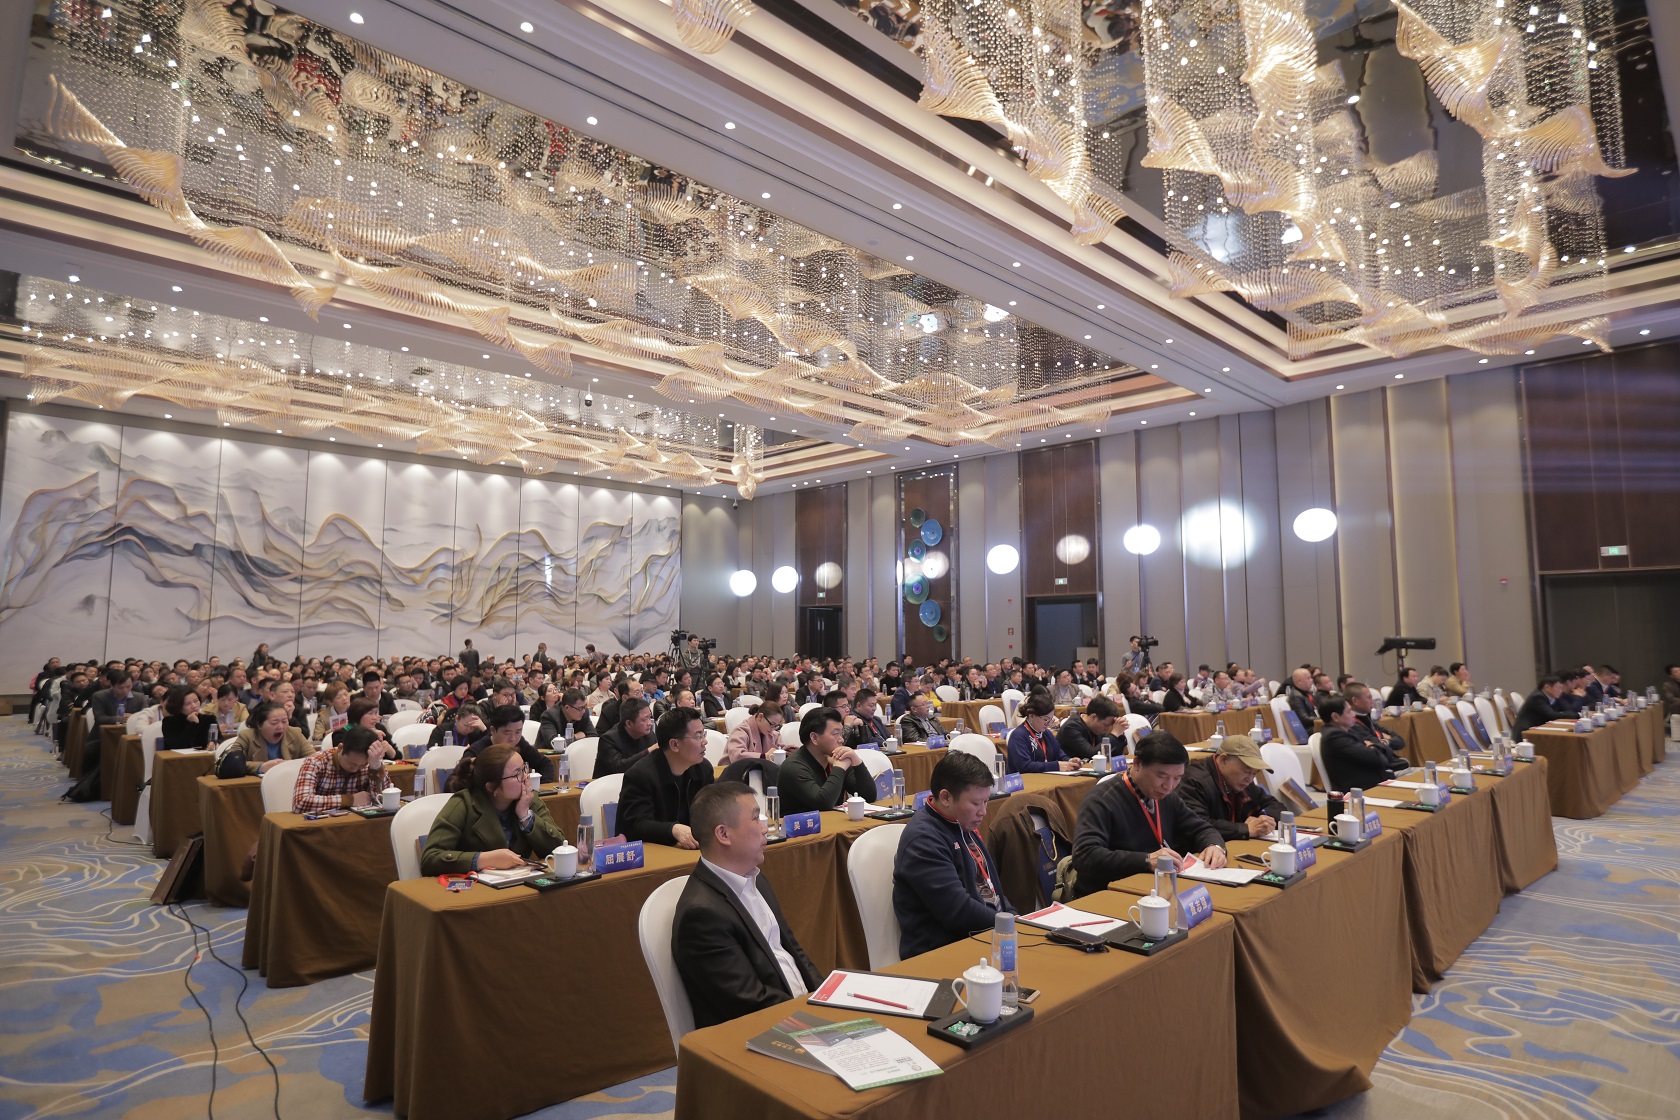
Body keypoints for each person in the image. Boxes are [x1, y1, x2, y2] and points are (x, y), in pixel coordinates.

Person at [672, 782, 822, 1028]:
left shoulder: (756, 878)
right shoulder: (701, 915)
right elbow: (749, 1001)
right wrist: (816, 1020)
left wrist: (825, 998)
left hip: (800, 1011)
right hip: (764, 1031)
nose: (765, 828)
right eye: (755, 819)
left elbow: (794, 952)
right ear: (723, 834)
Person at [1068, 731, 1227, 897]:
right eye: (1162, 776)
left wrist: (1214, 847)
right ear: (1137, 763)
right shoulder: (1102, 799)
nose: (1169, 786)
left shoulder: (1167, 797)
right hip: (1108, 893)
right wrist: (1146, 860)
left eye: (1177, 778)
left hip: (1154, 889)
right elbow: (1085, 855)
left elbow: (1201, 828)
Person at [892, 752, 1012, 958]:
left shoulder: (962, 823)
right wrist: (1009, 924)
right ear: (946, 797)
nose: (983, 811)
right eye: (976, 803)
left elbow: (992, 889)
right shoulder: (923, 840)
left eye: (986, 801)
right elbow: (958, 912)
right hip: (941, 952)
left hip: (983, 937)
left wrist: (1015, 918)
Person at [421, 743, 568, 875]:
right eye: (517, 774)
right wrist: (485, 859)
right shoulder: (463, 804)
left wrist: (525, 817)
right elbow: (430, 858)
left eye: (524, 769)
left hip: (518, 883)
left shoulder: (528, 801)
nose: (525, 777)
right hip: (475, 888)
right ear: (491, 787)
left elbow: (559, 849)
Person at [618, 706, 715, 848]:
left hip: (693, 850)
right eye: (698, 736)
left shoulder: (703, 769)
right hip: (655, 853)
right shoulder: (640, 775)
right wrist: (673, 830)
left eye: (703, 734)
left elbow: (711, 812)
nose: (704, 741)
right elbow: (635, 826)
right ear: (674, 744)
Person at [1176, 736, 1284, 841]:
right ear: (1223, 760)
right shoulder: (1194, 782)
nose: (1250, 779)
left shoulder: (1242, 781)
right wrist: (1245, 829)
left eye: (1255, 773)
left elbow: (1276, 806)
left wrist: (1262, 819)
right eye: (1246, 771)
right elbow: (1196, 825)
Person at [778, 707, 876, 813]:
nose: (841, 739)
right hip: (805, 823)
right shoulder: (793, 766)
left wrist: (857, 762)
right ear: (814, 738)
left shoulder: (835, 759)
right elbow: (823, 803)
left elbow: (869, 797)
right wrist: (839, 768)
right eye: (835, 734)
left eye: (841, 733)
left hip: (834, 821)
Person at [290, 726, 392, 814]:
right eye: (352, 763)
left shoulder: (372, 761)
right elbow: (300, 803)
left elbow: (385, 799)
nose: (355, 769)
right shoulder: (316, 762)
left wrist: (375, 767)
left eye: (362, 765)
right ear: (340, 748)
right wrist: (350, 799)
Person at [1319, 694, 1407, 791]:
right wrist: (1374, 746)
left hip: (1376, 778)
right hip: (1365, 788)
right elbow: (1378, 759)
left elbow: (1382, 756)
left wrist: (1372, 746)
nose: (1353, 715)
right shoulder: (1335, 737)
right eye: (1349, 712)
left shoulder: (1345, 731)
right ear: (1335, 717)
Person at [461, 704, 555, 783]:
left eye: (518, 732)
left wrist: (539, 788)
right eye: (507, 733)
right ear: (493, 730)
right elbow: (461, 779)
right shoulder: (476, 751)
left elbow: (545, 764)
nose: (513, 738)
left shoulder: (520, 743)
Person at [228, 701, 315, 775]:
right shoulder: (247, 736)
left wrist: (290, 765)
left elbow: (314, 759)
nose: (281, 727)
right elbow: (231, 763)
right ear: (259, 725)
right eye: (274, 723)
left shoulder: (295, 733)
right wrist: (261, 767)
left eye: (284, 721)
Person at [1007, 693, 1082, 772]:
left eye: (1051, 720)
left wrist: (1070, 761)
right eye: (1046, 720)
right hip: (1024, 779)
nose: (1049, 724)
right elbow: (1024, 766)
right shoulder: (1018, 736)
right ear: (1031, 716)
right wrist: (1056, 766)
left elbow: (1059, 755)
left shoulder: (1047, 733)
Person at [593, 698, 657, 778]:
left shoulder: (649, 735)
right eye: (644, 719)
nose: (649, 723)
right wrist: (649, 751)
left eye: (649, 717)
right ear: (629, 723)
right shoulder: (608, 739)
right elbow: (618, 768)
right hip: (609, 783)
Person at [1343, 682, 1408, 760]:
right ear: (1355, 701)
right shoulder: (1352, 724)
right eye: (1369, 697)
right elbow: (1379, 748)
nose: (1372, 701)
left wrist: (1385, 741)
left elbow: (1400, 742)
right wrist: (1384, 738)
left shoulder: (1367, 718)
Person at [1057, 695, 1122, 760]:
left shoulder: (1096, 727)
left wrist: (1120, 734)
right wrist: (1115, 734)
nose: (1107, 729)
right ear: (1094, 717)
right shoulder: (1071, 727)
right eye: (1106, 725)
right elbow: (1092, 756)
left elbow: (1114, 754)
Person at [159, 684, 216, 752]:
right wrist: (193, 724)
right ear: (179, 706)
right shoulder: (169, 721)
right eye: (188, 704)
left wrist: (215, 743)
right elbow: (177, 745)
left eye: (196, 701)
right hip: (177, 757)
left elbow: (219, 740)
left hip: (205, 756)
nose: (194, 706)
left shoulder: (209, 719)